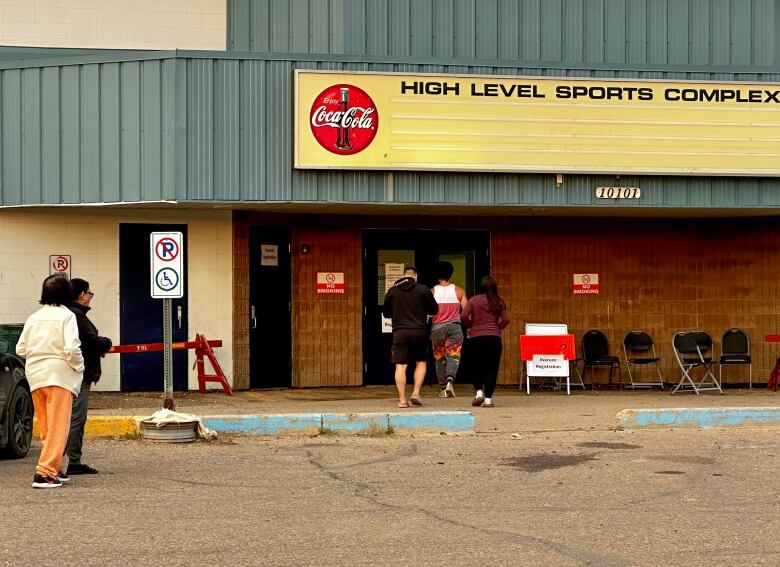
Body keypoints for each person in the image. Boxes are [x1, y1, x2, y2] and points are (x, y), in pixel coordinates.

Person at [16, 275, 84, 489]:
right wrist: (79, 366)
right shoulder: (67, 316)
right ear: (67, 294)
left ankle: (54, 467)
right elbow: (72, 348)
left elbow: (20, 349)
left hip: (36, 375)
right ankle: (44, 473)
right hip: (59, 375)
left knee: (46, 426)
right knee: (58, 427)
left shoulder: (34, 317)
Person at [65, 278, 113, 475]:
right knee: (77, 417)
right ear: (81, 295)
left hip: (69, 374)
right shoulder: (76, 316)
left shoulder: (69, 314)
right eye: (89, 294)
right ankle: (70, 462)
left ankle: (68, 460)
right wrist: (106, 342)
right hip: (79, 375)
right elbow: (91, 341)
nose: (90, 297)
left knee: (71, 416)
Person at [382, 267, 439, 408]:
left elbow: (386, 313)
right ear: (416, 277)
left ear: (403, 276)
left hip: (400, 333)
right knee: (421, 362)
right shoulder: (422, 289)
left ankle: (402, 400)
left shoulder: (392, 291)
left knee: (400, 366)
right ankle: (415, 393)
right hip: (420, 332)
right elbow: (434, 310)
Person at [459, 276, 510, 408]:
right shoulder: (499, 301)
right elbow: (506, 319)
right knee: (492, 368)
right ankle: (488, 399)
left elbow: (463, 316)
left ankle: (478, 392)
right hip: (494, 339)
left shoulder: (474, 300)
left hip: (476, 338)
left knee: (475, 366)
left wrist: (470, 326)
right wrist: (497, 328)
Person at [430, 261, 467, 398]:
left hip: (437, 329)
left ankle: (443, 387)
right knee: (453, 356)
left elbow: (427, 314)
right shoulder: (459, 291)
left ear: (437, 275)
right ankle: (450, 382)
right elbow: (466, 312)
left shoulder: (432, 292)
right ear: (450, 274)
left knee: (440, 358)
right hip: (454, 328)